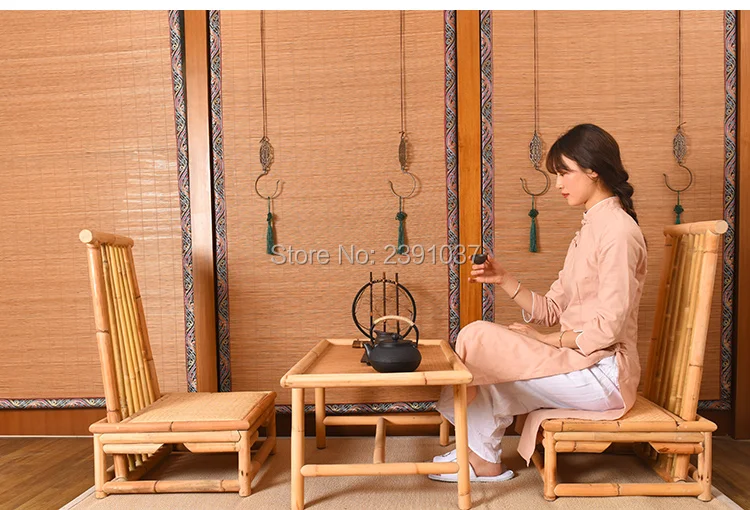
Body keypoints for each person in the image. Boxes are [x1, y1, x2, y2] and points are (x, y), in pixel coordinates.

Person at [428, 123, 648, 483]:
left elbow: (608, 329)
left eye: (565, 172)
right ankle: (480, 457)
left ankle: (479, 458)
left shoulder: (619, 232)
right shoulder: (592, 228)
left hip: (604, 372)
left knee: (479, 340)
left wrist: (547, 340)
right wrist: (504, 279)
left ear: (593, 170)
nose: (558, 184)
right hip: (580, 361)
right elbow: (552, 310)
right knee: (485, 357)